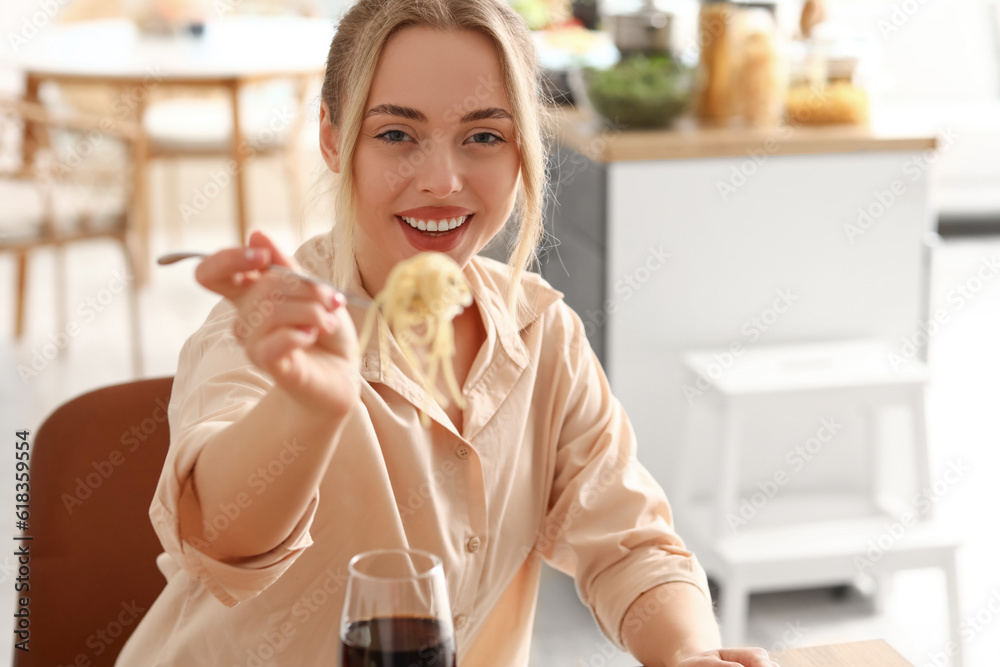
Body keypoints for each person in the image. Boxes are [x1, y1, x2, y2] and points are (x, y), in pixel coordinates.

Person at [116, 1, 778, 665]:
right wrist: (307, 407)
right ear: (332, 136)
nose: (440, 181)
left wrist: (689, 653)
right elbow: (222, 542)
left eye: (484, 136)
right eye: (397, 135)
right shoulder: (263, 330)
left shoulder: (543, 333)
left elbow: (631, 546)